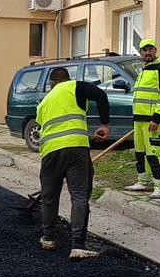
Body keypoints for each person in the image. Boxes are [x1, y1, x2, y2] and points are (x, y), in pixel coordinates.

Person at [37, 67, 111, 252]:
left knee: (49, 197)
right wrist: (104, 124)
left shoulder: (43, 102)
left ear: (52, 82)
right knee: (79, 196)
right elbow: (101, 96)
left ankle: (48, 238)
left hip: (50, 153)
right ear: (66, 79)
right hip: (76, 149)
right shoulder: (75, 87)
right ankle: (78, 245)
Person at [125, 39, 160, 199]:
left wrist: (157, 117)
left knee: (154, 153)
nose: (147, 53)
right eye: (143, 50)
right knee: (140, 152)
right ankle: (143, 181)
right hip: (139, 120)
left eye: (149, 49)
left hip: (153, 121)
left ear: (155, 49)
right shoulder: (145, 69)